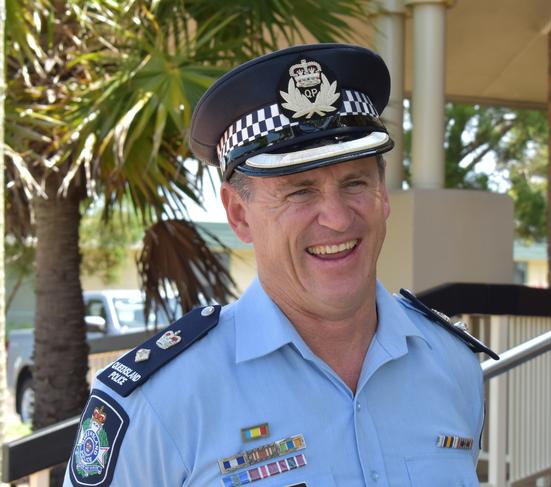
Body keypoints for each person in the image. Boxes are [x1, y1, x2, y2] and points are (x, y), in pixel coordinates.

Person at [64, 43, 497, 487]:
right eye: (300, 191)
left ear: (383, 193)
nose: (337, 217)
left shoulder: (451, 365)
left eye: (355, 182)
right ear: (238, 214)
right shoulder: (159, 401)